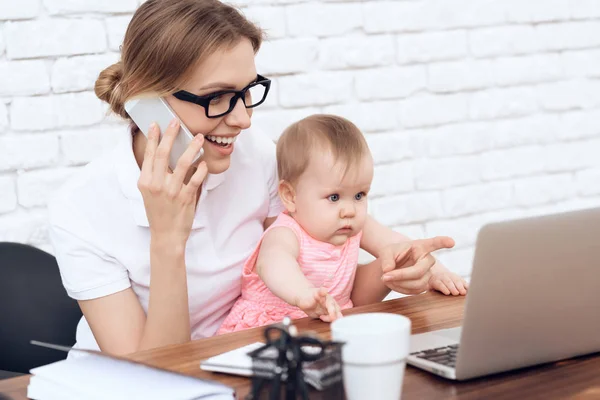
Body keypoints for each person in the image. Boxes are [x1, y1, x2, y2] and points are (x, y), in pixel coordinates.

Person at [48, 0, 466, 358]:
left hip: (242, 359)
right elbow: (154, 373)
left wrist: (399, 270)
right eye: (216, 98)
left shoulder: (254, 156)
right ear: (146, 100)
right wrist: (167, 239)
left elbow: (317, 274)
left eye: (249, 91)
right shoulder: (81, 209)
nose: (243, 119)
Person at [218, 115, 466, 334]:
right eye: (334, 197)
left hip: (327, 326)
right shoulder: (287, 232)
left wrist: (436, 272)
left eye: (360, 195)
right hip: (270, 330)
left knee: (395, 260)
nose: (349, 210)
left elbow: (398, 245)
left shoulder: (353, 225)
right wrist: (303, 294)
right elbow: (273, 263)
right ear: (290, 197)